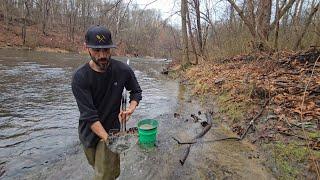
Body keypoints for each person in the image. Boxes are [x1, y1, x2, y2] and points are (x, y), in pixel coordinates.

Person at [71, 25, 142, 180]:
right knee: (96, 166)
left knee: (105, 175)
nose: (102, 55)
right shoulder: (80, 78)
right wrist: (109, 140)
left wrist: (131, 108)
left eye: (106, 50)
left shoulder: (123, 70)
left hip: (111, 131)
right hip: (88, 133)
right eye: (97, 50)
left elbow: (136, 91)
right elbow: (89, 116)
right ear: (87, 48)